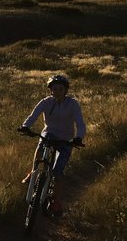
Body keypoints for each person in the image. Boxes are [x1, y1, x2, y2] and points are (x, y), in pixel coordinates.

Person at [18, 74, 86, 216]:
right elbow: (33, 115)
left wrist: (78, 138)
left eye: (60, 89)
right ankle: (33, 172)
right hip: (49, 134)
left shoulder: (73, 104)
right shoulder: (45, 102)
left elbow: (80, 123)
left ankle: (55, 201)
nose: (57, 91)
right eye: (54, 89)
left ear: (65, 90)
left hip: (66, 140)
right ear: (51, 90)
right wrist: (25, 126)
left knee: (57, 172)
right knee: (41, 145)